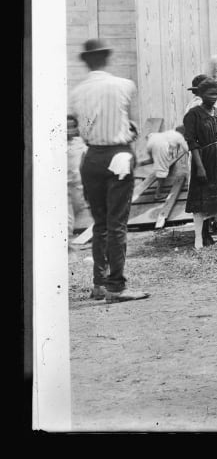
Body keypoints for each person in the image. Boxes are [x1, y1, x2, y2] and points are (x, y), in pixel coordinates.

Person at [69, 39, 150, 302]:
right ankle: (116, 287)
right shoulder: (124, 85)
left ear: (86, 61)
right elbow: (131, 124)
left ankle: (99, 283)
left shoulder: (78, 92)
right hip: (118, 155)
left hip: (91, 156)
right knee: (116, 224)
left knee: (101, 224)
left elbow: (79, 125)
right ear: (105, 58)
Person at [184, 76, 217, 250]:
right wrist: (199, 167)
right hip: (204, 159)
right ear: (201, 94)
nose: (213, 97)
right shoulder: (193, 115)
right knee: (201, 200)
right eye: (210, 93)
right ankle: (198, 238)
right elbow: (192, 143)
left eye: (216, 94)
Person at [145, 126, 189, 202]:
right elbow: (187, 150)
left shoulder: (170, 133)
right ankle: (158, 195)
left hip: (151, 141)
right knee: (163, 172)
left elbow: (174, 147)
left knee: (156, 163)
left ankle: (145, 164)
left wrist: (173, 155)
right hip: (160, 146)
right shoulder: (180, 137)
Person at [67, 115, 89, 240]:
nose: (70, 130)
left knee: (78, 209)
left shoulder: (79, 143)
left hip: (77, 186)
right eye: (67, 127)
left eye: (73, 126)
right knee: (67, 218)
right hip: (61, 187)